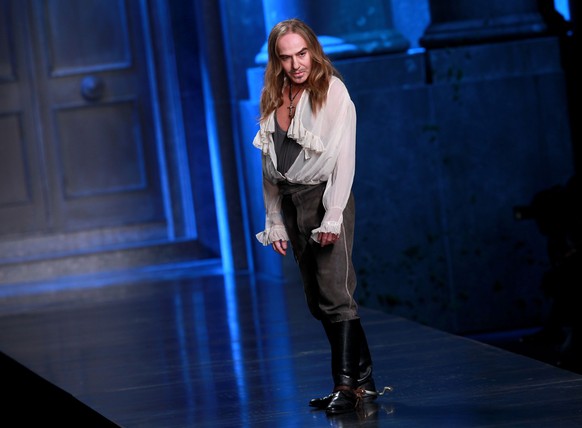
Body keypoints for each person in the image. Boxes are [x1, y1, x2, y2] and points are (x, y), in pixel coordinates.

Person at [253, 18, 390, 414]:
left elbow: (343, 161)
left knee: (336, 296)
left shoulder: (333, 92)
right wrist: (274, 218)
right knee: (318, 300)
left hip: (326, 199)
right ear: (277, 61)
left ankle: (346, 387)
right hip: (293, 203)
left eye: (301, 53)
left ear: (312, 49)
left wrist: (331, 217)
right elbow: (270, 167)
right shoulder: (275, 95)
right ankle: (362, 384)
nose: (296, 64)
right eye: (286, 57)